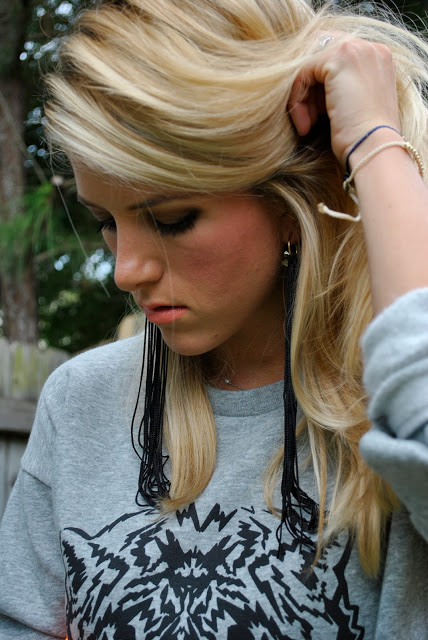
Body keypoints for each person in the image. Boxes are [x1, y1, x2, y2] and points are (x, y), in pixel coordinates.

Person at [1, 0, 427, 637]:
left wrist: (373, 143)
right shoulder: (80, 401)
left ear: (296, 201)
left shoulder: (390, 418)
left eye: (171, 218)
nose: (126, 271)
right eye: (106, 222)